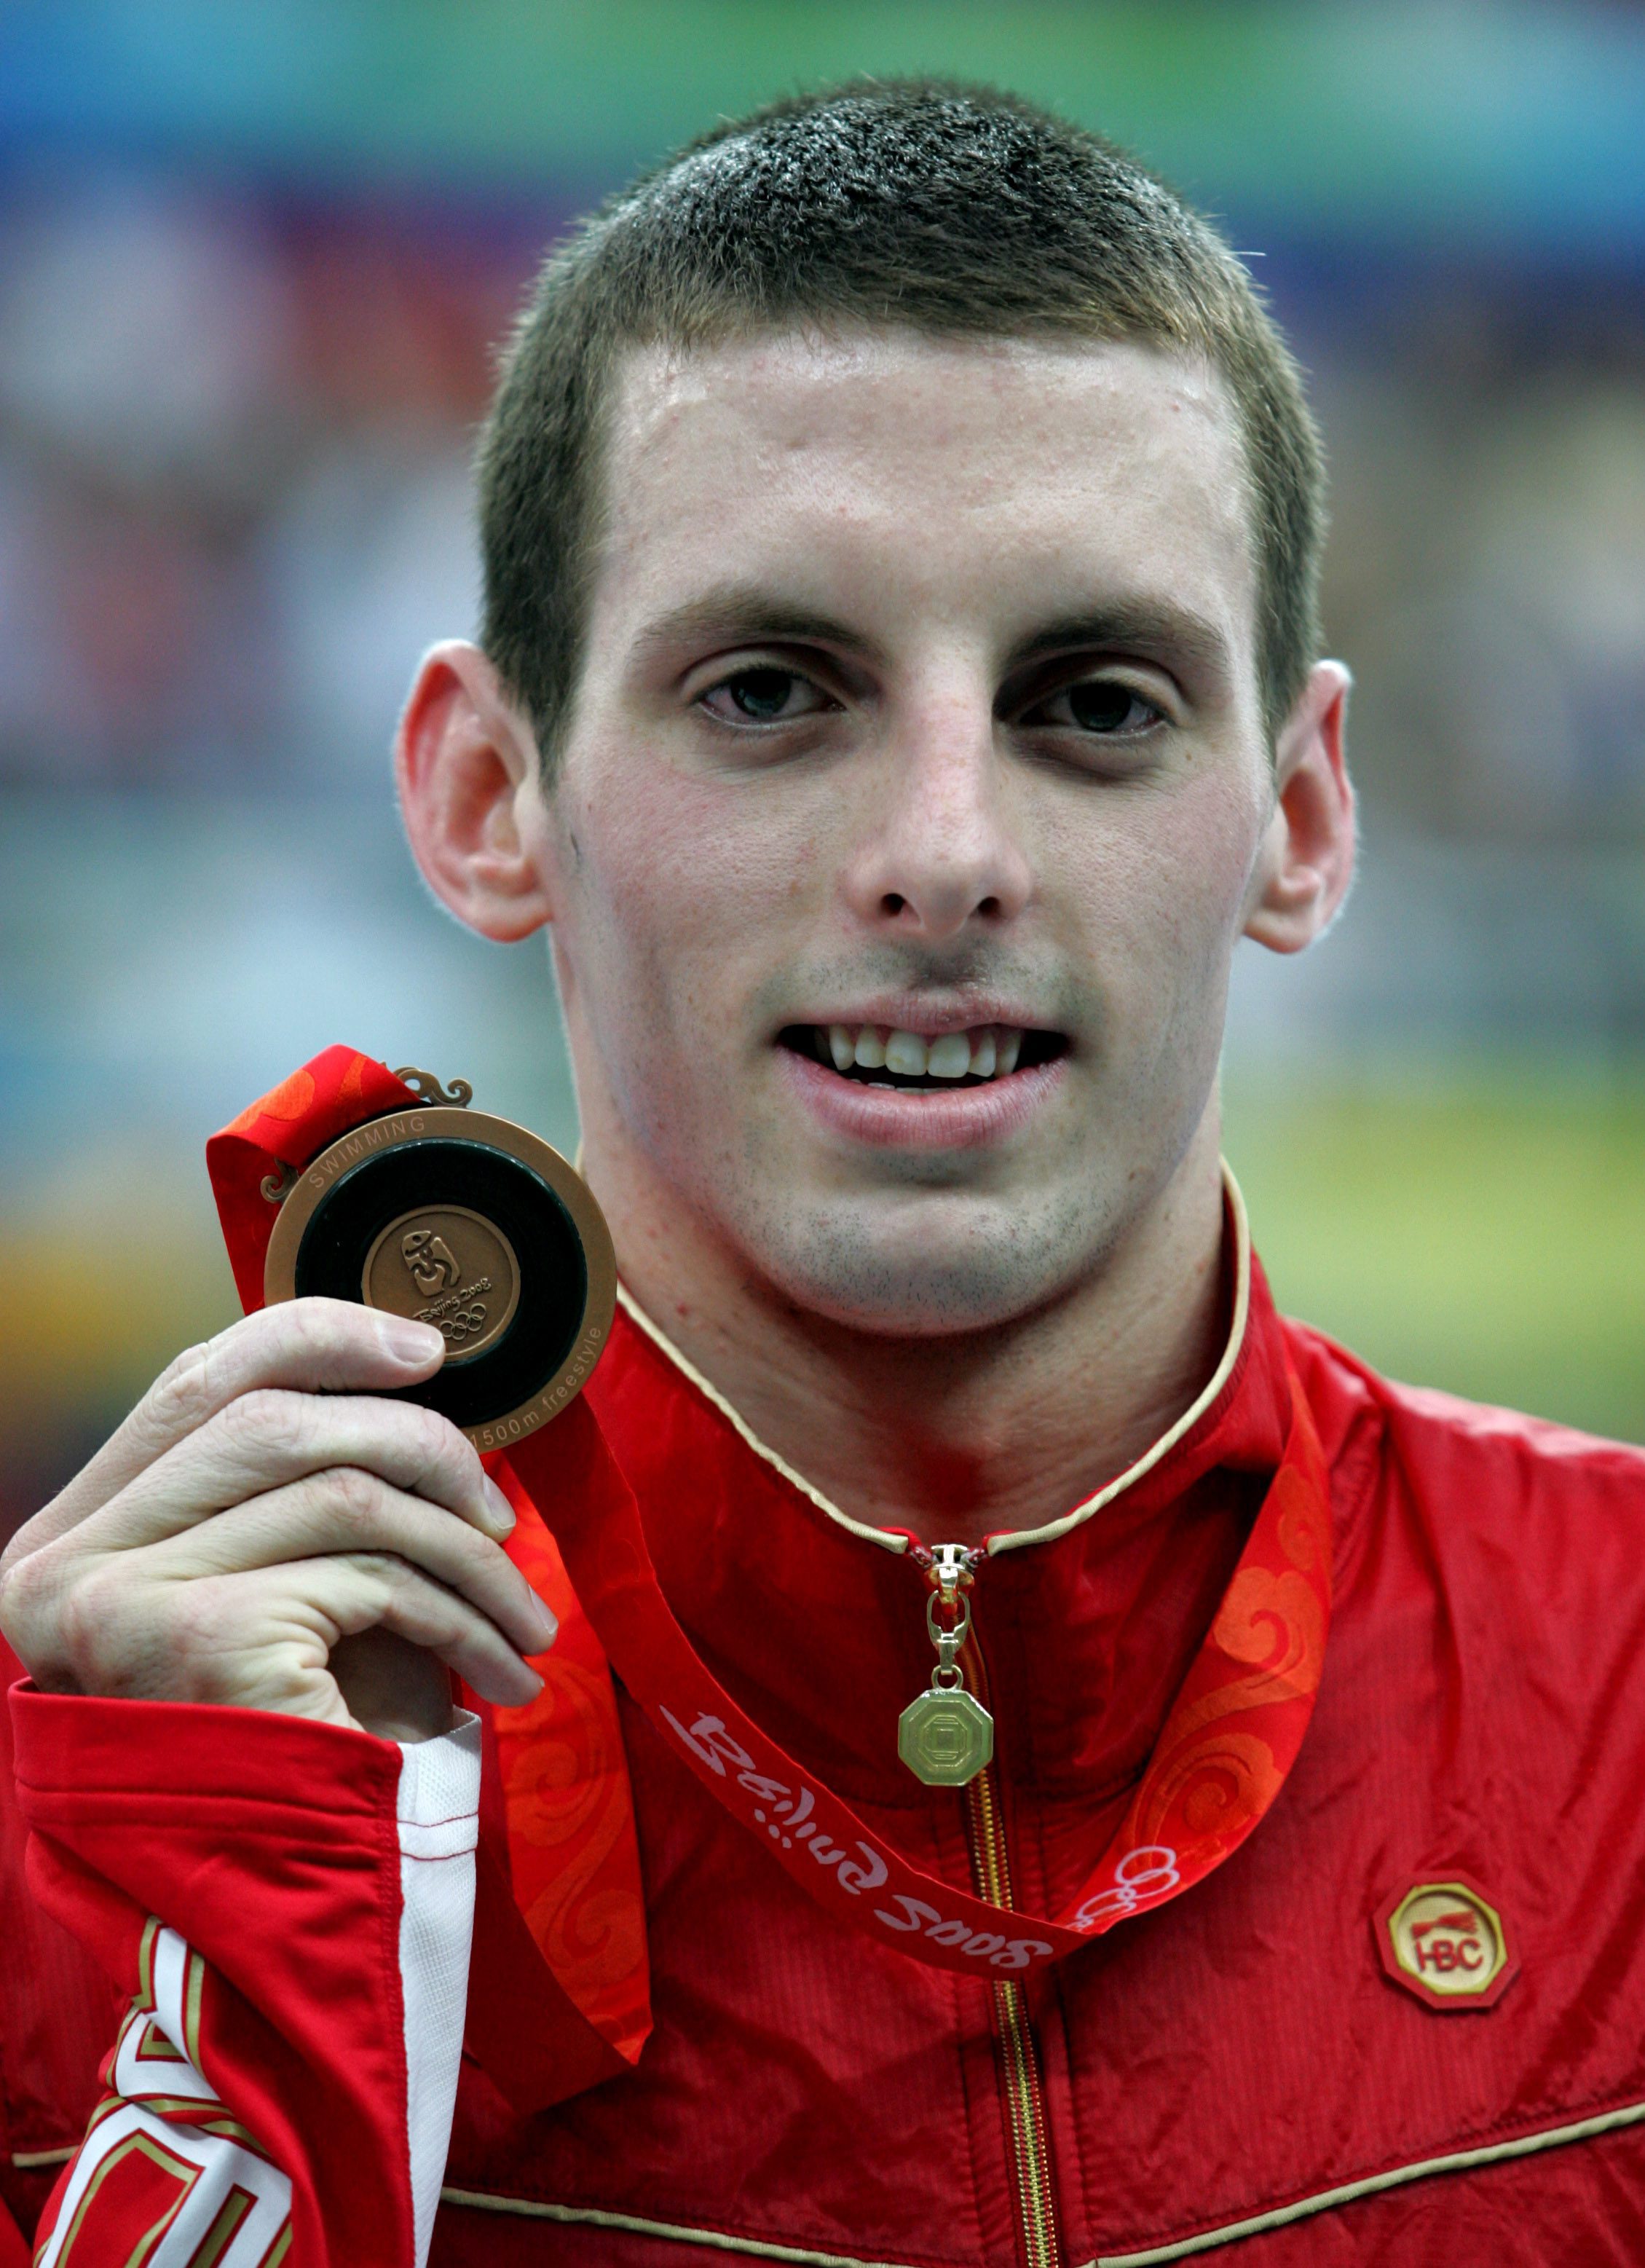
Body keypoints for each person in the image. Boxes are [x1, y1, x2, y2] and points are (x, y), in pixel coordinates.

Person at [2, 79, 1644, 2268]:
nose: (945, 854)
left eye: (1096, 699)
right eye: (773, 689)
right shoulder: (111, 1799)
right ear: (488, 791)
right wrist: (185, 1938)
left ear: (1301, 812)